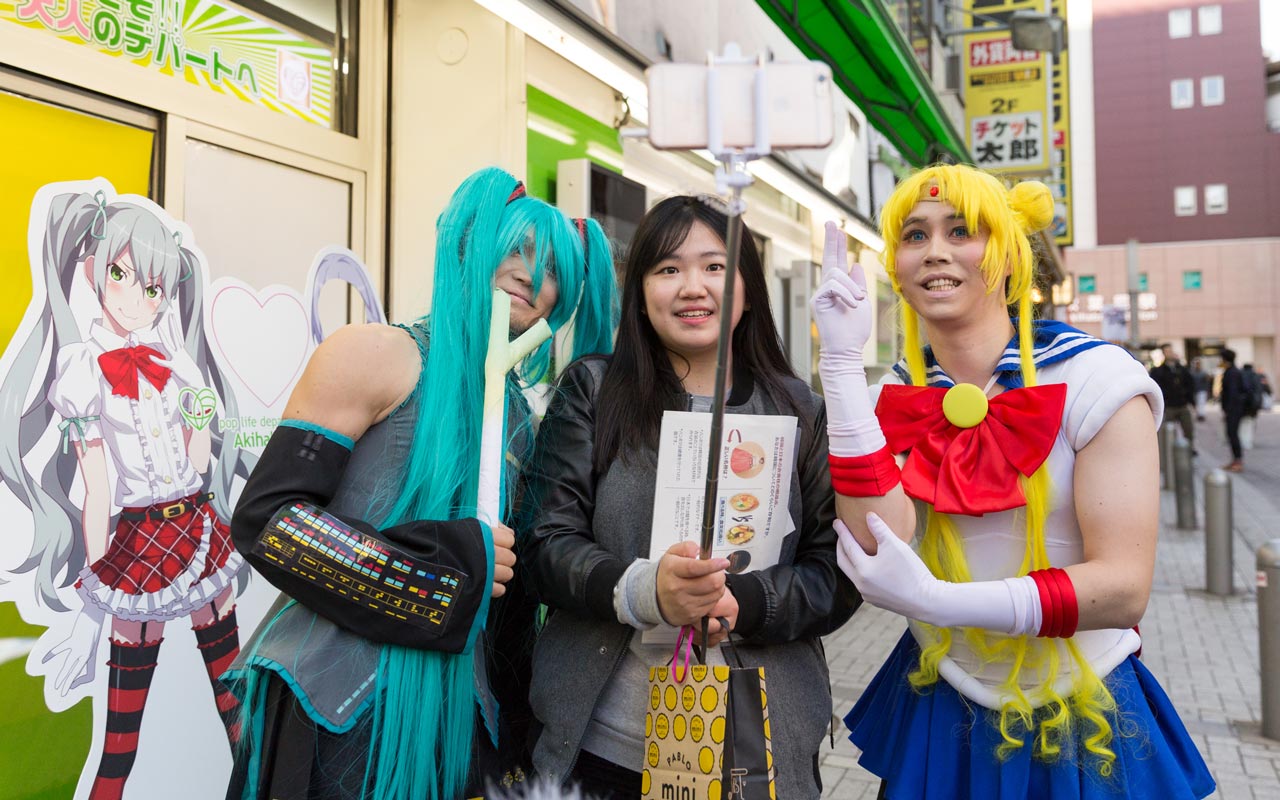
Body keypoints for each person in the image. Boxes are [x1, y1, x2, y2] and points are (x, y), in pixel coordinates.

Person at [811, 164, 1213, 798]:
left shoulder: (1096, 380)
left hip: (1085, 704)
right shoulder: (888, 395)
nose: (935, 250)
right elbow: (873, 543)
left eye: (962, 230)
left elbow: (1123, 588)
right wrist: (837, 364)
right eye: (914, 235)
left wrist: (935, 601)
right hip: (942, 700)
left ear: (1007, 254)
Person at [224, 167, 618, 800]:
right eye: (513, 249)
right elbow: (269, 520)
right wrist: (437, 570)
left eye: (551, 271)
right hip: (335, 709)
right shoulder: (374, 354)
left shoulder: (527, 417)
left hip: (460, 725)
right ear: (470, 245)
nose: (527, 275)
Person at [522, 195, 860, 799]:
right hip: (601, 742)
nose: (692, 287)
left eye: (713, 266)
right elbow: (546, 541)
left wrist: (746, 603)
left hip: (754, 745)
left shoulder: (802, 412)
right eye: (668, 269)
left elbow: (838, 572)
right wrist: (646, 591)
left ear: (747, 290)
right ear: (642, 290)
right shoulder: (593, 391)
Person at [0, 186, 255, 800]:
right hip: (137, 539)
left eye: (153, 287)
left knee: (237, 714)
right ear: (94, 269)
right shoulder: (84, 372)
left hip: (195, 525)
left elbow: (197, 461)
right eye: (121, 274)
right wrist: (95, 572)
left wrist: (200, 425)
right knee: (121, 739)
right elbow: (97, 479)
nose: (136, 298)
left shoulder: (178, 364)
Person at [1150, 343, 1197, 452]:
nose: (1170, 353)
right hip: (1169, 407)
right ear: (1163, 353)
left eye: (1171, 350)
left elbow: (1190, 385)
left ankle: (1189, 450)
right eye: (1167, 351)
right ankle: (1170, 453)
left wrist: (1192, 402)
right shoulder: (1158, 371)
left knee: (1188, 430)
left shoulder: (1181, 369)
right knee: (1169, 432)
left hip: (1182, 404)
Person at [1220, 349, 1246, 471]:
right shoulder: (1232, 371)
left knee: (1232, 434)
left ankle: (1238, 461)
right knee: (1231, 434)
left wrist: (1228, 410)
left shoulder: (1232, 373)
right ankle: (1235, 459)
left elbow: (1232, 393)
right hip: (1234, 409)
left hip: (1234, 409)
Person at [1190, 357, 1210, 421]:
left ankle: (1201, 415)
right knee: (1197, 403)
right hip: (1195, 390)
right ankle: (1199, 414)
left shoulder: (1203, 373)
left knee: (1201, 402)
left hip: (1202, 390)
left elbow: (1207, 382)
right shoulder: (1192, 373)